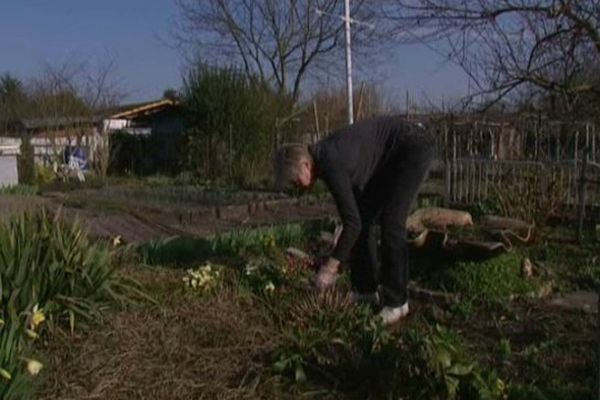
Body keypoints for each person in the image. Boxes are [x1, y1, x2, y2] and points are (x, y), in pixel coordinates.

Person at [273, 115, 435, 325]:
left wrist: (330, 268)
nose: (297, 188)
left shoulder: (329, 160)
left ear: (305, 164)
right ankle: (366, 289)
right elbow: (355, 218)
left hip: (413, 145)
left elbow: (351, 224)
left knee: (392, 222)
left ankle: (397, 302)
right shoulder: (324, 158)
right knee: (365, 215)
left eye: (295, 182)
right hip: (392, 155)